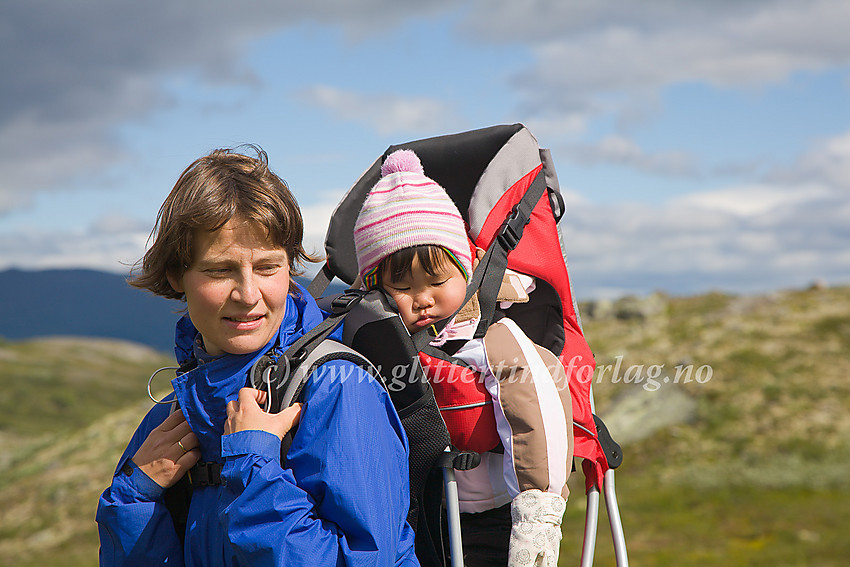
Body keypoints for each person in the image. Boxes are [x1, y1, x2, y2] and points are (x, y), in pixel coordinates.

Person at [96, 146, 419, 566]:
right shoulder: (175, 414)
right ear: (177, 275)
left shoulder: (338, 389)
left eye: (267, 267)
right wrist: (134, 500)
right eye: (219, 270)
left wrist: (253, 465)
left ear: (290, 268)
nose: (248, 295)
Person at [352, 149, 574, 567]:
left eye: (438, 280)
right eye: (402, 287)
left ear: (466, 271)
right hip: (420, 517)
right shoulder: (370, 348)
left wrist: (537, 514)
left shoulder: (492, 340)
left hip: (499, 516)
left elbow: (537, 409)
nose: (423, 298)